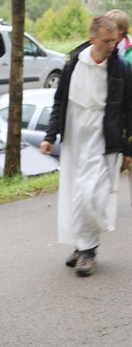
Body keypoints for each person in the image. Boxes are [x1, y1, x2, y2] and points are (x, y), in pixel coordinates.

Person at [40, 16, 132, 276]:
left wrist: (129, 149)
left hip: (105, 143)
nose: (112, 46)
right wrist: (50, 136)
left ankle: (88, 250)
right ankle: (83, 247)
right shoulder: (72, 65)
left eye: (114, 41)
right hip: (75, 140)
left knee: (92, 196)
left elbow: (129, 109)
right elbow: (59, 102)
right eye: (106, 41)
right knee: (75, 195)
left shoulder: (121, 68)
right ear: (92, 39)